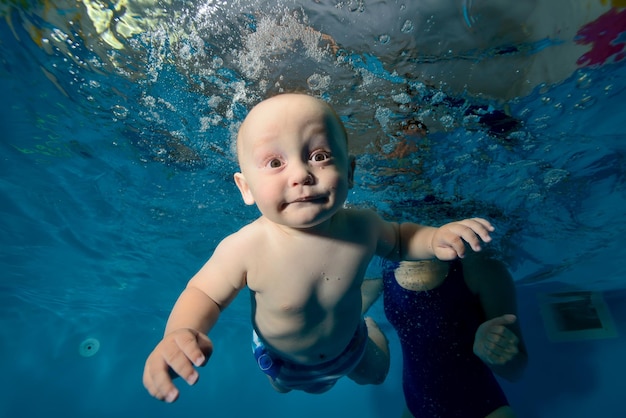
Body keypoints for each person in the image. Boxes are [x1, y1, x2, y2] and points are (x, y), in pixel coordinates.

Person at [142, 93, 495, 403]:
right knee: (282, 387)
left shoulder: (363, 226)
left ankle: (367, 322)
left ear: (351, 170)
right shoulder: (245, 247)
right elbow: (205, 293)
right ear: (245, 187)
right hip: (281, 361)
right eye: (275, 163)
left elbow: (401, 240)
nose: (300, 174)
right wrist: (180, 332)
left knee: (377, 374)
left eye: (320, 155)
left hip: (351, 346)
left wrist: (435, 238)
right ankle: (359, 307)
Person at [362, 253, 528, 418]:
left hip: (484, 411)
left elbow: (516, 371)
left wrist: (493, 351)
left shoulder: (481, 268)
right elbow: (341, 317)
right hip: (416, 410)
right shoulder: (384, 264)